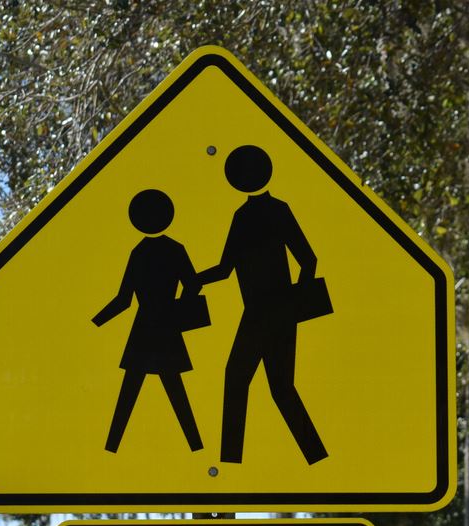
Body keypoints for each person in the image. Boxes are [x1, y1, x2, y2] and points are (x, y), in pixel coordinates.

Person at [201, 144, 328, 464]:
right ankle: (316, 456)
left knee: (236, 378)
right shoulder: (270, 211)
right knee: (282, 389)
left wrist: (192, 280)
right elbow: (308, 260)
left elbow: (225, 268)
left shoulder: (247, 216)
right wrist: (295, 302)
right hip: (279, 313)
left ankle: (230, 462)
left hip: (260, 313)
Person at [93, 189, 204, 453]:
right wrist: (176, 310)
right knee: (173, 389)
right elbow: (193, 285)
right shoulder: (175, 249)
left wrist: (97, 321)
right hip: (166, 327)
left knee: (132, 390)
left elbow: (124, 299)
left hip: (144, 329)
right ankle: (196, 447)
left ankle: (112, 448)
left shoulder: (139, 252)